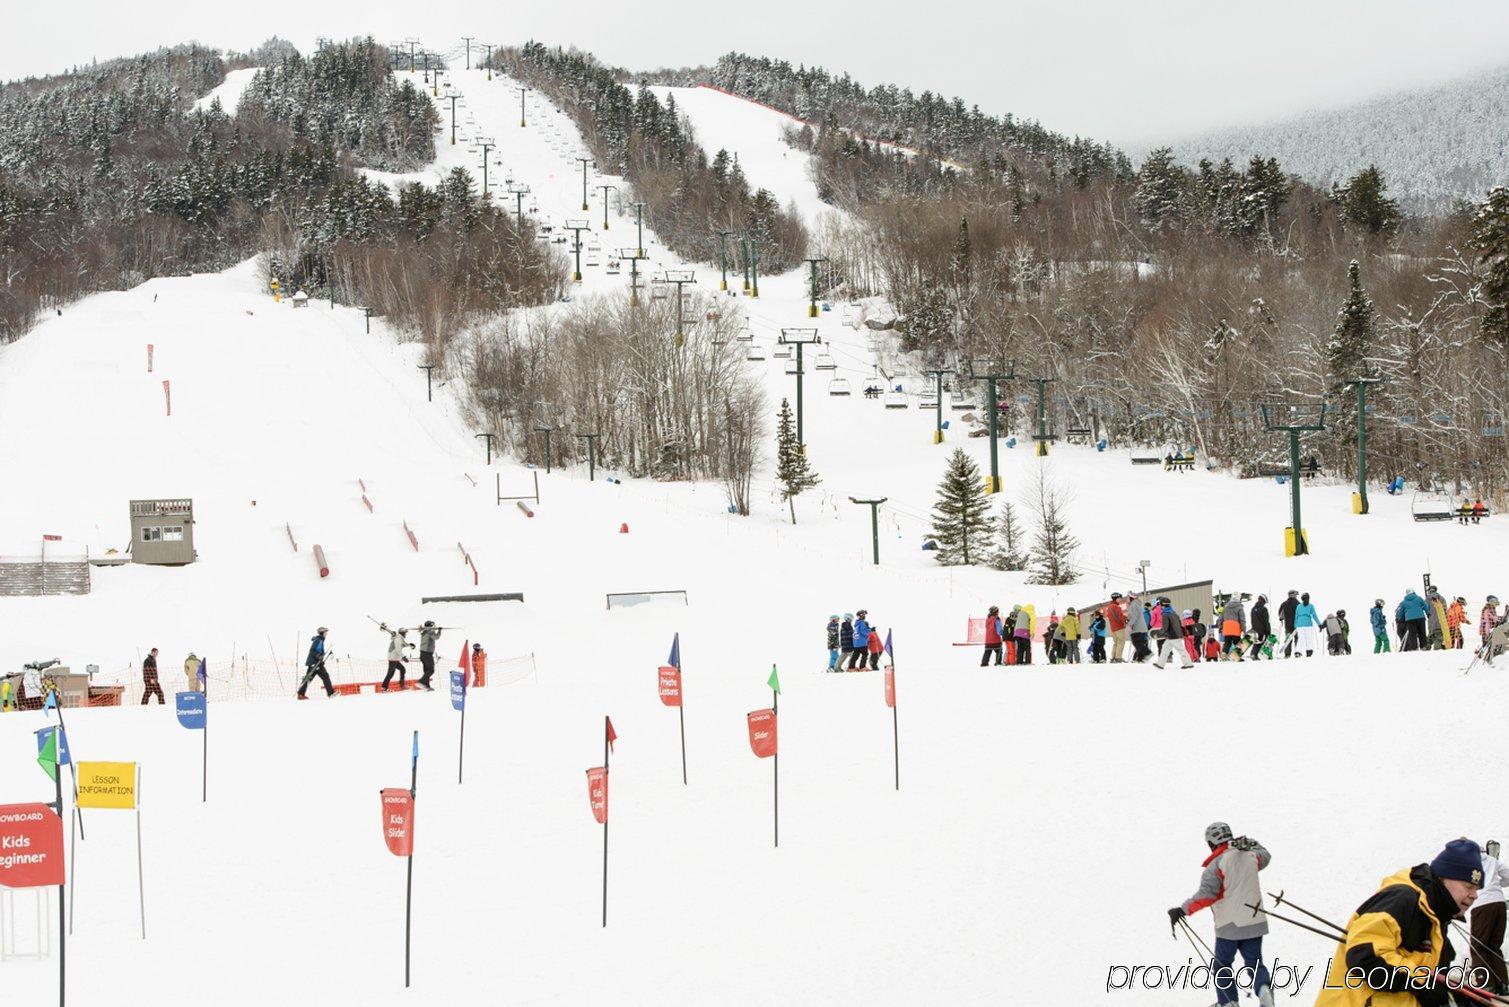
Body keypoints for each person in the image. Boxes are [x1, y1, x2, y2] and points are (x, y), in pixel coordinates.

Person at [1313, 837, 1483, 1007]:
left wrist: (1452, 993)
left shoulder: (1436, 919)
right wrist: (1422, 983)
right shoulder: (1402, 899)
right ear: (1443, 878)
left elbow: (1427, 979)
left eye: (1476, 889)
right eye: (1468, 886)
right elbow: (1365, 957)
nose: (1474, 895)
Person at [1168, 822, 1273, 1007]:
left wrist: (1182, 910)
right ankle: (1264, 991)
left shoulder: (1215, 866)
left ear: (1211, 843)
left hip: (1229, 927)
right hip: (1255, 922)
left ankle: (1228, 1002)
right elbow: (1265, 855)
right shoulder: (1251, 855)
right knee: (1255, 963)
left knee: (1222, 965)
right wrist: (1250, 843)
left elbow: (1206, 895)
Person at [1470, 839, 1509, 995]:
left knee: (1478, 945)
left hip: (1482, 904)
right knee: (1493, 946)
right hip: (1499, 904)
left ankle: (1486, 984)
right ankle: (1503, 984)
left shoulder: (1470, 863)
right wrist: (1497, 884)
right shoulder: (1492, 860)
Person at [1152, 598, 1194, 669]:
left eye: (1160, 605)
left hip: (1173, 636)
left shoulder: (1165, 614)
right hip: (1174, 635)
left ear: (1163, 605)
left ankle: (1188, 664)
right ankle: (1160, 664)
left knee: (1181, 650)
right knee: (1165, 648)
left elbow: (1165, 627)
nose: (1160, 606)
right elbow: (1179, 623)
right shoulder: (1173, 613)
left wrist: (1158, 633)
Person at [297, 628, 335, 698]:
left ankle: (300, 694)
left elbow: (318, 651)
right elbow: (313, 650)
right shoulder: (319, 640)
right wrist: (318, 656)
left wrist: (321, 660)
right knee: (325, 676)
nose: (326, 634)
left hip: (315, 663)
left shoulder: (319, 640)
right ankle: (331, 693)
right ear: (322, 632)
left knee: (308, 678)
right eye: (325, 632)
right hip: (315, 663)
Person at [379, 624, 411, 691]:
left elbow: (402, 645)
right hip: (393, 658)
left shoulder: (399, 639)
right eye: (405, 633)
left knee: (402, 669)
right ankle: (384, 688)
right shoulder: (398, 639)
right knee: (390, 674)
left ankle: (402, 685)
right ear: (402, 633)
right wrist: (403, 657)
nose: (406, 634)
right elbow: (398, 649)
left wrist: (409, 645)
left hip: (395, 658)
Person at [1126, 592, 1151, 663]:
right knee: (1140, 643)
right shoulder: (1137, 604)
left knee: (1136, 643)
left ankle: (1147, 653)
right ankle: (1140, 658)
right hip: (1141, 628)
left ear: (1131, 598)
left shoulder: (1133, 605)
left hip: (1137, 628)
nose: (1127, 599)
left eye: (1128, 597)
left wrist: (1129, 624)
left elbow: (1133, 617)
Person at [417, 620, 442, 691]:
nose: (434, 627)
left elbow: (421, 630)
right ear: (430, 626)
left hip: (422, 653)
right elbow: (436, 637)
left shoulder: (424, 631)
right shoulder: (430, 631)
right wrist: (439, 631)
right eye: (432, 625)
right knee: (431, 670)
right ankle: (421, 681)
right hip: (427, 653)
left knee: (426, 671)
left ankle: (426, 686)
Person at [1221, 595, 1247, 661]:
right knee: (1238, 642)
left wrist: (1220, 627)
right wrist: (1244, 630)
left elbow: (1221, 618)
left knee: (1227, 642)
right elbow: (1242, 620)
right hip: (1235, 627)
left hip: (1226, 627)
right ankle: (1237, 656)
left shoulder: (1225, 607)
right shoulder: (1239, 607)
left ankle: (1224, 653)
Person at [1293, 592, 1319, 657]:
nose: (1307, 600)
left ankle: (1300, 651)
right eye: (1305, 598)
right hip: (1305, 624)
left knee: (1303, 638)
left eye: (1307, 598)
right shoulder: (1310, 606)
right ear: (1303, 599)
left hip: (1302, 624)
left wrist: (1295, 625)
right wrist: (1319, 624)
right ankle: (1306, 651)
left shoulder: (1300, 606)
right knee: (1307, 638)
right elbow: (1314, 616)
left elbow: (1296, 616)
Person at [1105, 592, 1129, 662]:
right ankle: (1118, 658)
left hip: (1113, 628)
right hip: (1119, 627)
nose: (1120, 600)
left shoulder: (1109, 607)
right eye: (1119, 598)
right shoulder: (1116, 607)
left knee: (1116, 643)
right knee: (1121, 642)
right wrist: (1126, 620)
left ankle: (1113, 658)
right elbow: (1120, 616)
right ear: (1117, 598)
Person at [1278, 590, 1300, 656]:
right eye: (1296, 594)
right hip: (1297, 625)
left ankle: (1287, 654)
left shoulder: (1284, 604)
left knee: (1288, 639)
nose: (1296, 596)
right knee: (1297, 639)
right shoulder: (1298, 604)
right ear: (1293, 595)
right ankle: (1297, 652)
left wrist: (1281, 619)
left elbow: (1280, 614)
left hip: (1288, 625)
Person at [1250, 595, 1272, 661]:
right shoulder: (1264, 609)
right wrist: (1268, 630)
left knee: (1256, 642)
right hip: (1262, 630)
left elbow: (1252, 620)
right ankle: (1257, 654)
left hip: (1254, 629)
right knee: (1262, 642)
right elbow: (1266, 621)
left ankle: (1253, 654)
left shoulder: (1253, 609)